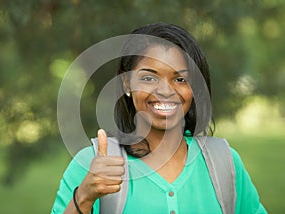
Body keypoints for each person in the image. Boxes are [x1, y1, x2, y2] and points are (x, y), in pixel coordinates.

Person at [51, 23, 266, 214]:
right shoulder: (90, 164)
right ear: (127, 84)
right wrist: (84, 197)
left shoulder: (225, 162)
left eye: (180, 78)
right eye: (148, 78)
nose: (165, 90)